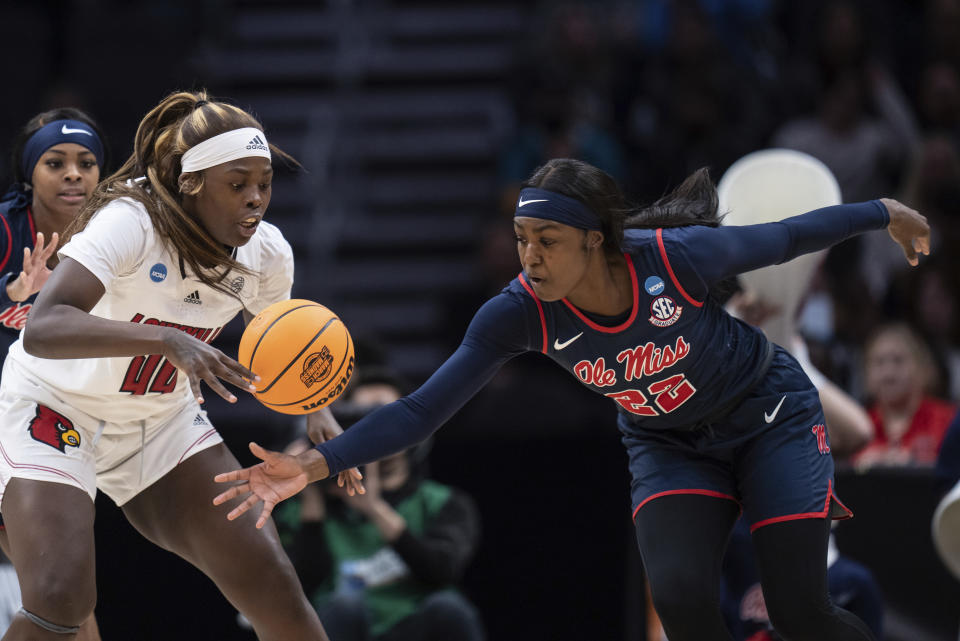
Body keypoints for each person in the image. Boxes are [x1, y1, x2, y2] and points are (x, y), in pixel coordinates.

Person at [216, 158, 930, 641]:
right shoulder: (517, 311)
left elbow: (785, 236)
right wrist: (311, 464)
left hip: (767, 415)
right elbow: (420, 409)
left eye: (548, 241)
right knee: (681, 598)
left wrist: (882, 212)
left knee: (802, 610)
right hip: (670, 444)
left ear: (596, 240)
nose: (529, 257)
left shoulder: (675, 257)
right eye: (523, 239)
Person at [0, 90, 361, 640]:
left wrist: (318, 411)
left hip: (157, 420)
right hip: (56, 406)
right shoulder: (130, 221)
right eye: (237, 185)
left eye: (263, 184)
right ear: (192, 183)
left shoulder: (267, 254)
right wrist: (165, 338)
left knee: (272, 582)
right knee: (59, 596)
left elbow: (288, 348)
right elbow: (44, 327)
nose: (256, 200)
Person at [0, 107, 108, 640]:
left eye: (87, 163)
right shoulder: (3, 229)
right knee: (59, 587)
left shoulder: (117, 234)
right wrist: (11, 297)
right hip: (14, 422)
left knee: (62, 587)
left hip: (69, 416)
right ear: (29, 173)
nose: (74, 174)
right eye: (56, 162)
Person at [275, 367, 484, 641]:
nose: (378, 429)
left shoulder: (441, 502)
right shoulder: (305, 508)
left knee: (449, 609)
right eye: (363, 419)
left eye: (388, 415)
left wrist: (373, 508)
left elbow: (441, 572)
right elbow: (295, 589)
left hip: (414, 627)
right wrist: (310, 495)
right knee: (343, 608)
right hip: (338, 626)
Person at [853, 322, 957, 467]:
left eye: (898, 361)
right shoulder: (856, 426)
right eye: (879, 363)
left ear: (922, 368)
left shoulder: (948, 420)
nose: (888, 373)